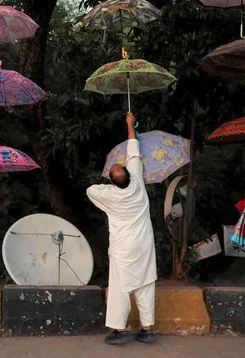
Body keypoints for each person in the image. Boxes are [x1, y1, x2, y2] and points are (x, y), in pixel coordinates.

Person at [86, 112, 157, 345]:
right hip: (144, 245)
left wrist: (108, 183)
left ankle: (119, 329)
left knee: (120, 288)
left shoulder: (107, 195)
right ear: (129, 174)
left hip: (123, 249)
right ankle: (147, 328)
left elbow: (90, 191)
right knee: (145, 284)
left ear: (113, 181)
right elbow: (133, 149)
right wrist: (130, 125)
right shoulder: (137, 180)